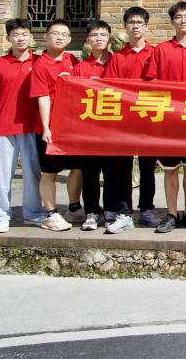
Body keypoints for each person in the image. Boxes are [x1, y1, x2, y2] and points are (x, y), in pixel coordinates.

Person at [143, 1, 186, 233]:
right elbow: (151, 82)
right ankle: (171, 213)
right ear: (172, 21)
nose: (183, 20)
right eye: (178, 17)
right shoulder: (161, 49)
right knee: (170, 168)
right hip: (169, 120)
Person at [0, 19, 42, 233]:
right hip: (4, 126)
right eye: (16, 35)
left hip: (31, 125)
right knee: (1, 174)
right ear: (8, 38)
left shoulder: (39, 62)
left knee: (32, 173)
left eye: (24, 34)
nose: (21, 38)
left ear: (31, 36)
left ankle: (33, 213)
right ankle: (0, 216)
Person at [103, 6, 158, 230]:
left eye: (139, 23)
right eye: (131, 23)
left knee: (148, 168)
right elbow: (110, 88)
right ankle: (124, 211)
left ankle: (147, 209)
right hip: (123, 121)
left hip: (148, 118)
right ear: (125, 26)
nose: (135, 26)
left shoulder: (155, 54)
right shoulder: (117, 58)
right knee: (122, 168)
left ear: (146, 26)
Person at [29, 19, 80, 231]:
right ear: (45, 37)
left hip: (71, 126)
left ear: (69, 39)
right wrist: (46, 128)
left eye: (64, 34)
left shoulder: (72, 60)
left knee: (77, 167)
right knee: (49, 171)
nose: (59, 37)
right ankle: (50, 213)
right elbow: (42, 97)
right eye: (55, 33)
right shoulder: (40, 65)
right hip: (50, 126)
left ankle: (74, 207)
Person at [71, 20, 116, 232]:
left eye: (103, 35)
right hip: (88, 129)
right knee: (90, 173)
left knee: (112, 172)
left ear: (109, 39)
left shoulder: (116, 63)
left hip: (113, 128)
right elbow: (74, 97)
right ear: (88, 39)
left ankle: (110, 211)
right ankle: (91, 211)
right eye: (94, 35)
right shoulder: (80, 67)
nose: (99, 38)